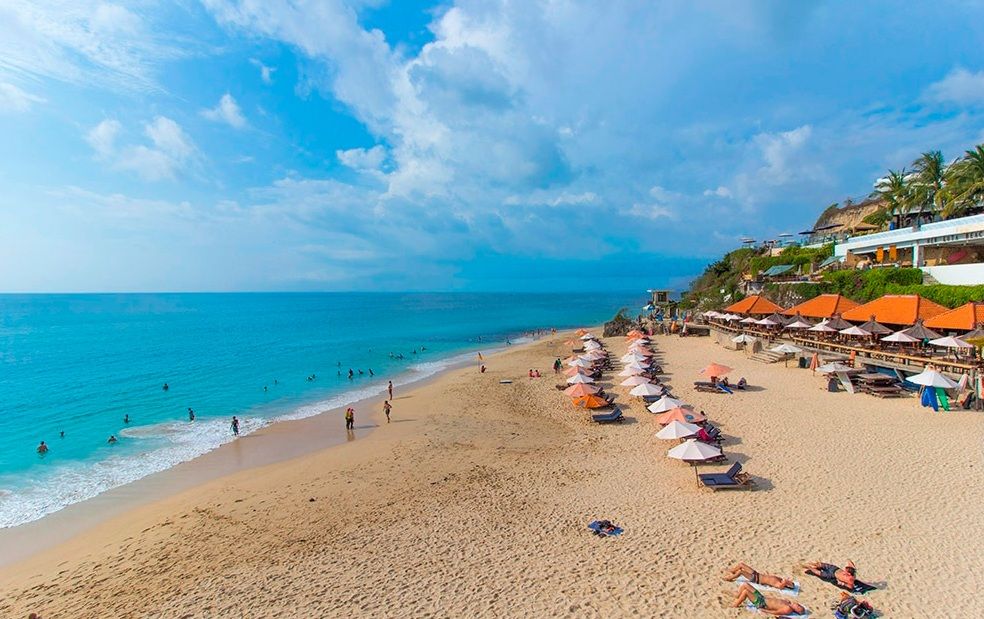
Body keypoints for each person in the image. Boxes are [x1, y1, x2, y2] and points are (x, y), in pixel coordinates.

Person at [729, 582, 805, 616]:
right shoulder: (788, 603)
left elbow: (776, 612)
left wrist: (764, 610)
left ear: (796, 611)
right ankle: (737, 596)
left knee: (746, 592)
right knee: (745, 585)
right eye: (799, 605)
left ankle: (735, 605)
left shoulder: (788, 609)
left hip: (761, 603)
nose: (798, 605)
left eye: (799, 607)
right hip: (762, 598)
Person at [722, 562, 795, 590]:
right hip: (757, 574)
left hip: (756, 579)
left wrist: (785, 583)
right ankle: (732, 571)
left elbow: (780, 587)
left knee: (741, 572)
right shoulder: (780, 579)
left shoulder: (779, 584)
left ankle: (729, 578)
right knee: (741, 564)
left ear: (787, 585)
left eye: (790, 583)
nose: (789, 581)